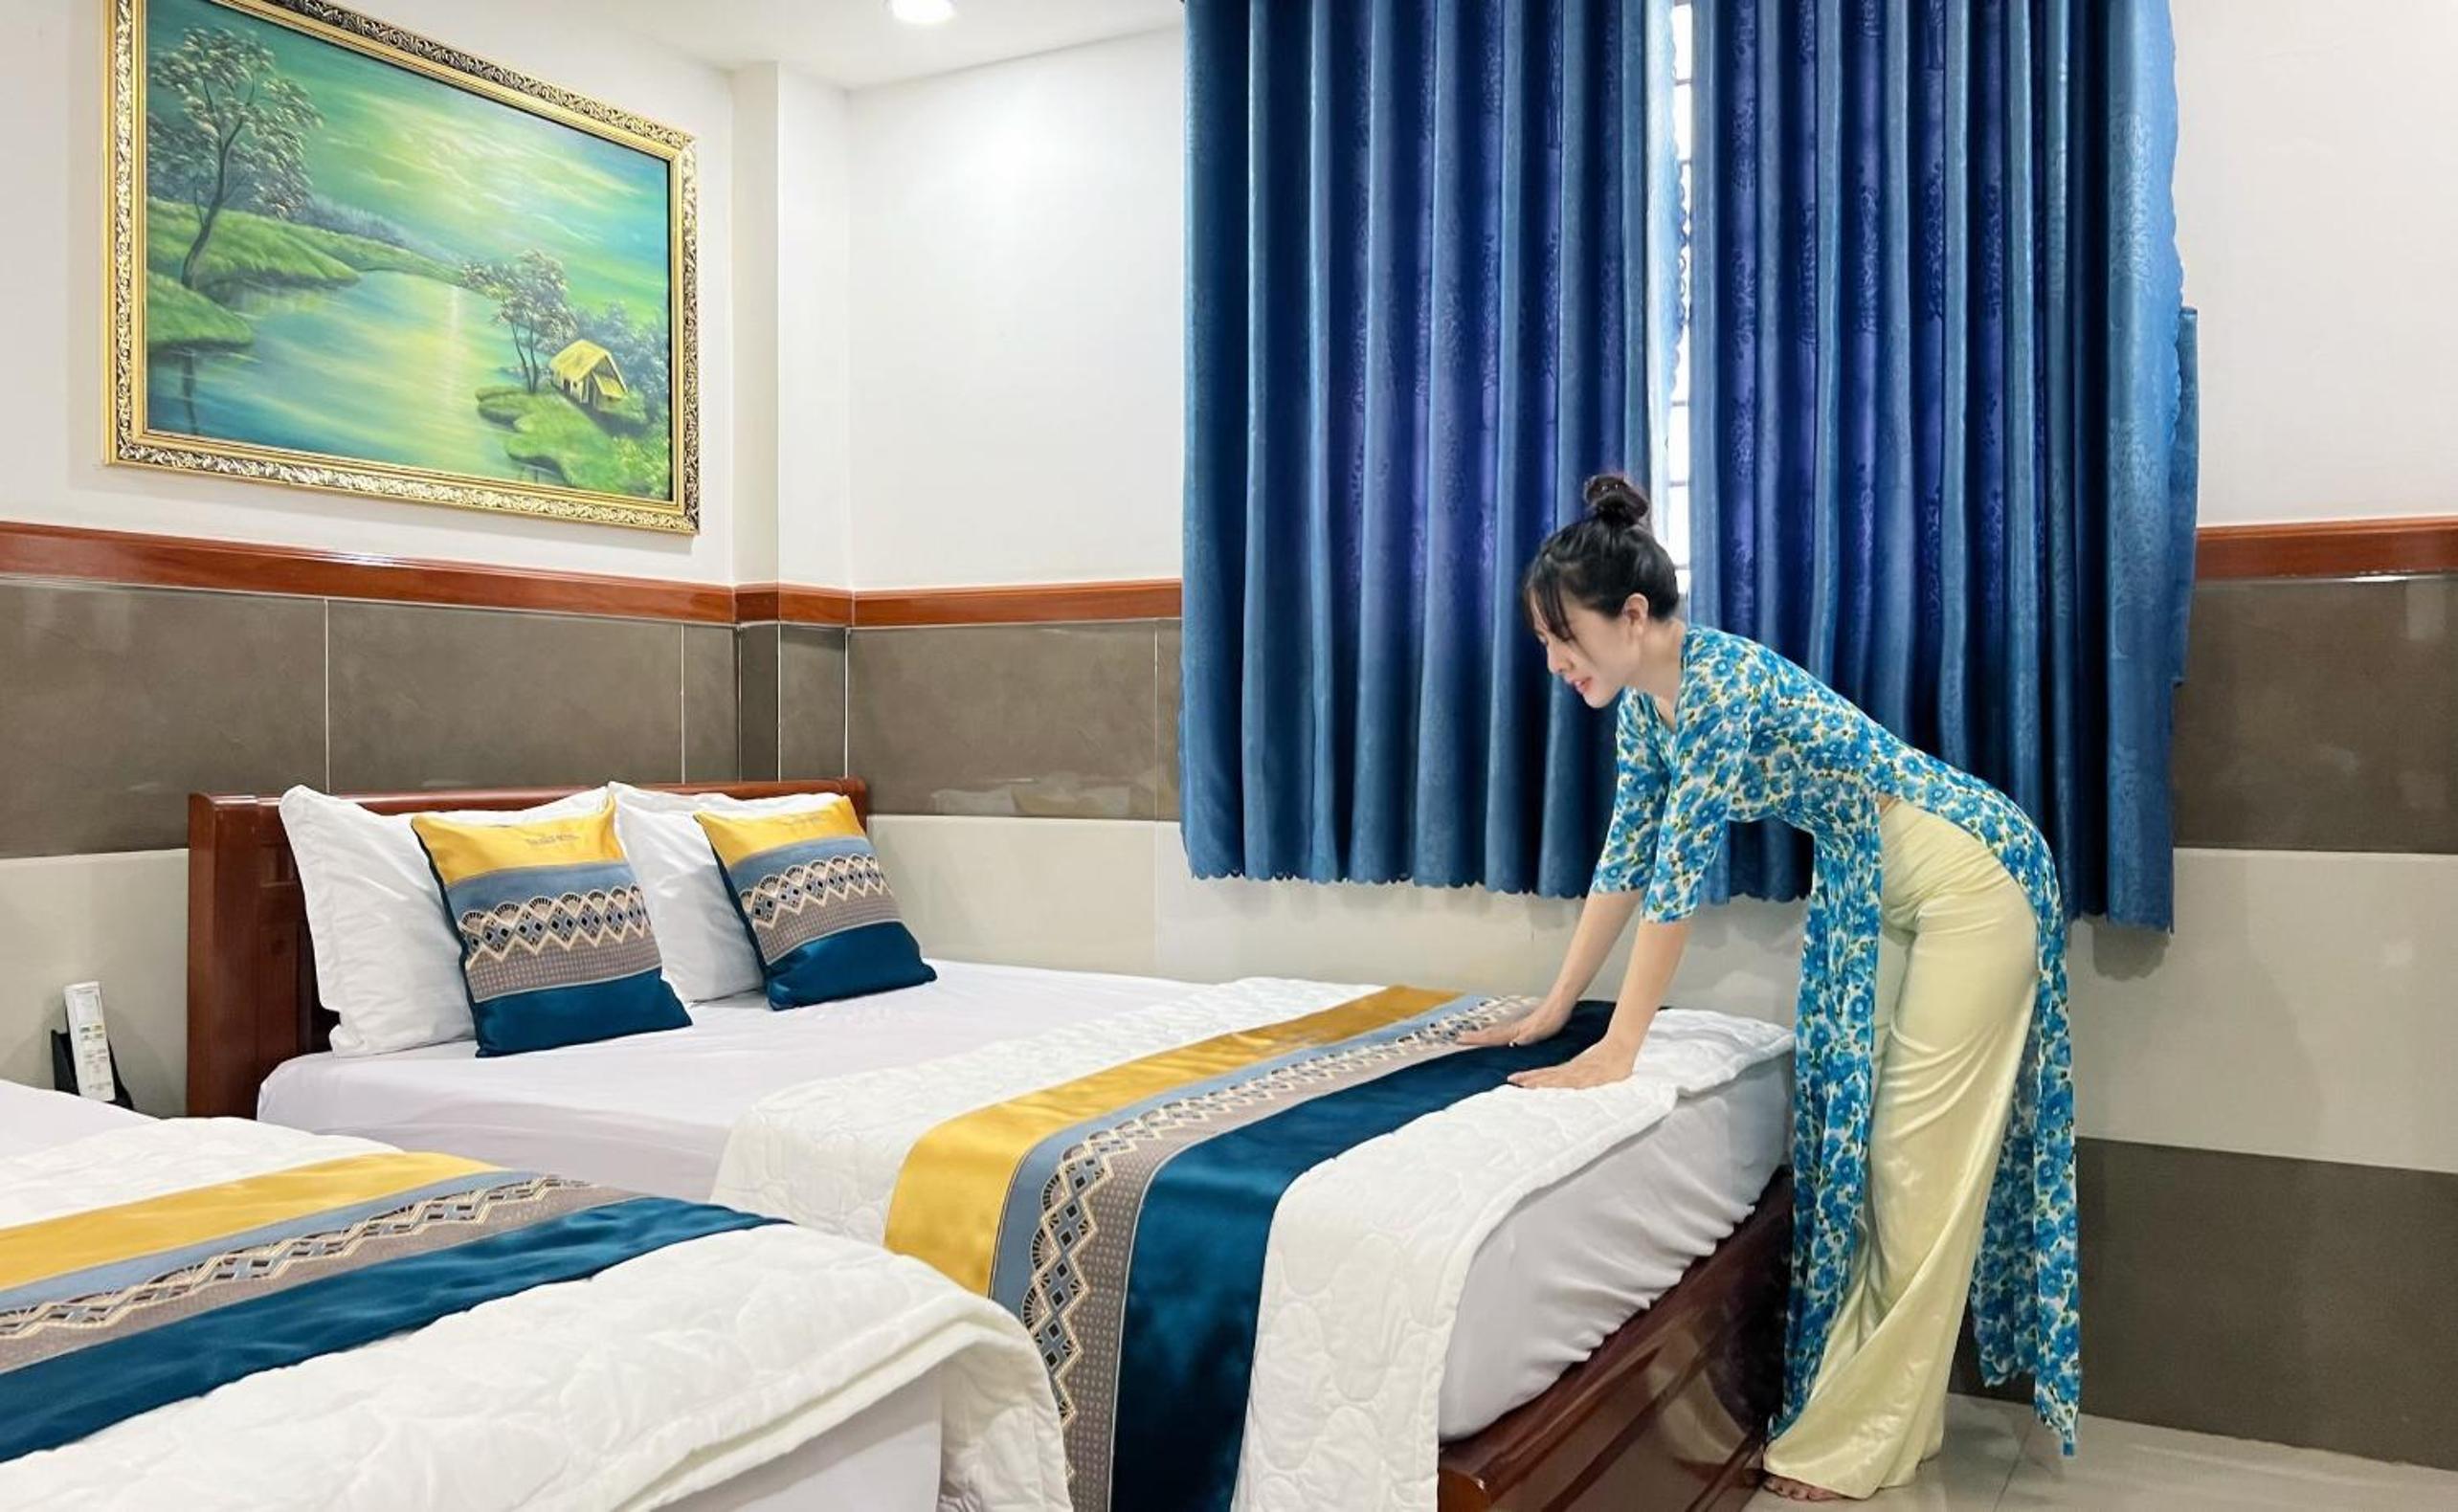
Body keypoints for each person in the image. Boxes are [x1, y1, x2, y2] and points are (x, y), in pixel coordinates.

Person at [1462, 474, 2080, 1501]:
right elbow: (1625, 861)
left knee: (1914, 1162)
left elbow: (1678, 881)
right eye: (1544, 643)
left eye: (1562, 637)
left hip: (1973, 872)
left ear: (1632, 616)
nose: (1555, 662)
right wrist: (1557, 1007)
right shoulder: (1648, 714)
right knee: (1870, 1153)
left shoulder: (1718, 684)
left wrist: (1621, 1047)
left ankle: (1864, 1434)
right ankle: (1886, 1415)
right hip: (1878, 882)